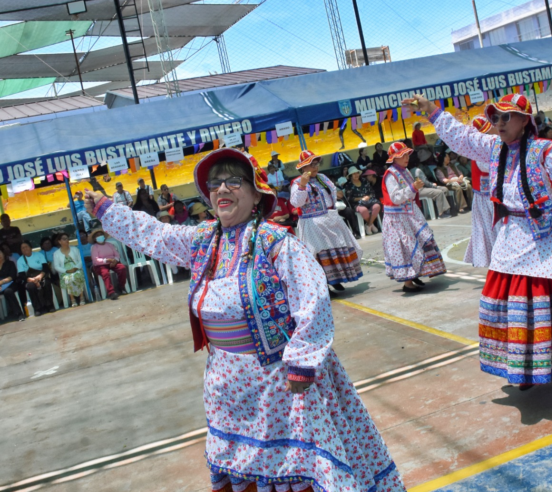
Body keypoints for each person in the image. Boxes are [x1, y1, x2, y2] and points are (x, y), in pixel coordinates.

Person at [84, 147, 405, 492]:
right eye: (215, 183)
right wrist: (106, 209)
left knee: (295, 473)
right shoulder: (202, 241)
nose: (222, 189)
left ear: (256, 194)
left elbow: (313, 301)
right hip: (227, 389)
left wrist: (301, 363)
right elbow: (154, 235)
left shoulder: (277, 242)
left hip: (281, 389)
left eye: (234, 182)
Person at [416, 91, 552, 392]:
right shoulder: (493, 149)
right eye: (495, 117)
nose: (499, 123)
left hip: (545, 241)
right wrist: (433, 112)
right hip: (510, 237)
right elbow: (463, 138)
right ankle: (526, 366)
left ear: (524, 120)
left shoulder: (545, 151)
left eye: (506, 117)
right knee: (512, 303)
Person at [290, 150, 363, 292]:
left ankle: (336, 279)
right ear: (303, 168)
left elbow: (332, 193)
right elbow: (296, 202)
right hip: (312, 223)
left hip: (328, 219)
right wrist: (303, 186)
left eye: (316, 164)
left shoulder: (322, 177)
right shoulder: (297, 182)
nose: (315, 167)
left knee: (334, 248)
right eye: (311, 165)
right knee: (319, 253)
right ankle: (324, 285)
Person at [381, 142, 447, 293]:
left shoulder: (405, 171)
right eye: (402, 155)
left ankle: (416, 273)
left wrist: (414, 189)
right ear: (394, 158)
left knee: (420, 240)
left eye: (406, 155)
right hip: (397, 217)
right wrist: (412, 188)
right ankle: (408, 282)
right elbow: (395, 197)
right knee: (406, 246)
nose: (406, 158)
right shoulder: (391, 175)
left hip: (409, 213)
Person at [464, 115, 498, 268]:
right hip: (486, 197)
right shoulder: (480, 147)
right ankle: (499, 263)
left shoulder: (483, 146)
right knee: (491, 229)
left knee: (492, 229)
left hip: (489, 194)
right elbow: (486, 167)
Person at [17, 240, 55, 316]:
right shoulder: (20, 260)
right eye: (22, 248)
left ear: (30, 247)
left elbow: (45, 268)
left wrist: (40, 276)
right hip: (29, 279)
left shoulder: (39, 255)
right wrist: (31, 279)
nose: (25, 249)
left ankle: (49, 305)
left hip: (41, 275)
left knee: (47, 283)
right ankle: (38, 308)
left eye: (26, 247)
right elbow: (21, 275)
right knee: (30, 287)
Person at [90, 229, 128, 300]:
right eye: (97, 235)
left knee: (122, 268)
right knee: (105, 273)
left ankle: (121, 286)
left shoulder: (110, 245)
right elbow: (95, 260)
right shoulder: (95, 247)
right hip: (101, 265)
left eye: (101, 235)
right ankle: (111, 292)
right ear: (95, 238)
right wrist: (106, 260)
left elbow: (117, 254)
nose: (100, 236)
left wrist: (115, 261)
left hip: (113, 262)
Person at [344, 166, 382, 236]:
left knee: (377, 206)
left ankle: (368, 225)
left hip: (369, 202)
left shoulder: (364, 181)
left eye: (357, 173)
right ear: (350, 176)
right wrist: (361, 198)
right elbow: (350, 199)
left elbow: (372, 192)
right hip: (357, 204)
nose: (356, 175)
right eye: (354, 174)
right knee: (363, 210)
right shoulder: (348, 186)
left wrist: (368, 197)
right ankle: (371, 225)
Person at [53, 233, 86, 307]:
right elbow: (56, 266)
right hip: (65, 271)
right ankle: (72, 299)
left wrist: (76, 268)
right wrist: (66, 271)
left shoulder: (75, 249)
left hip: (76, 268)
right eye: (64, 239)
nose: (67, 240)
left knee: (77, 275)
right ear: (59, 241)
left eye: (67, 238)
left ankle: (81, 297)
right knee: (67, 279)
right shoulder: (56, 253)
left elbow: (80, 261)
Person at [0, 249, 24, 321]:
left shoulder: (10, 263)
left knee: (8, 291)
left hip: (10, 284)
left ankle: (19, 314)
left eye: (0, 253)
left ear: (3, 254)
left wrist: (1, 282)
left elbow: (12, 276)